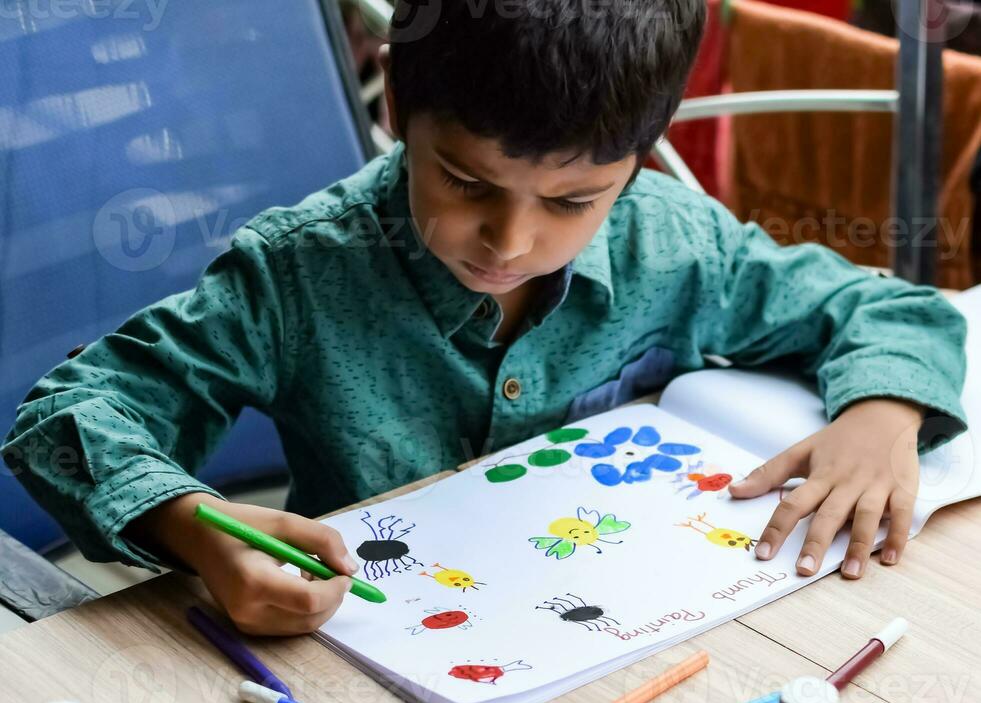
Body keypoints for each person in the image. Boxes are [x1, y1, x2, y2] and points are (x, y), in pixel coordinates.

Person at [2, 0, 967, 636]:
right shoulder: (301, 275)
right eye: (465, 182)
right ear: (400, 111)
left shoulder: (670, 240)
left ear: (637, 159)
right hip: (367, 648)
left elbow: (880, 307)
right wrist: (192, 525)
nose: (508, 241)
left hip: (619, 625)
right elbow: (67, 416)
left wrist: (881, 414)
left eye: (572, 200)